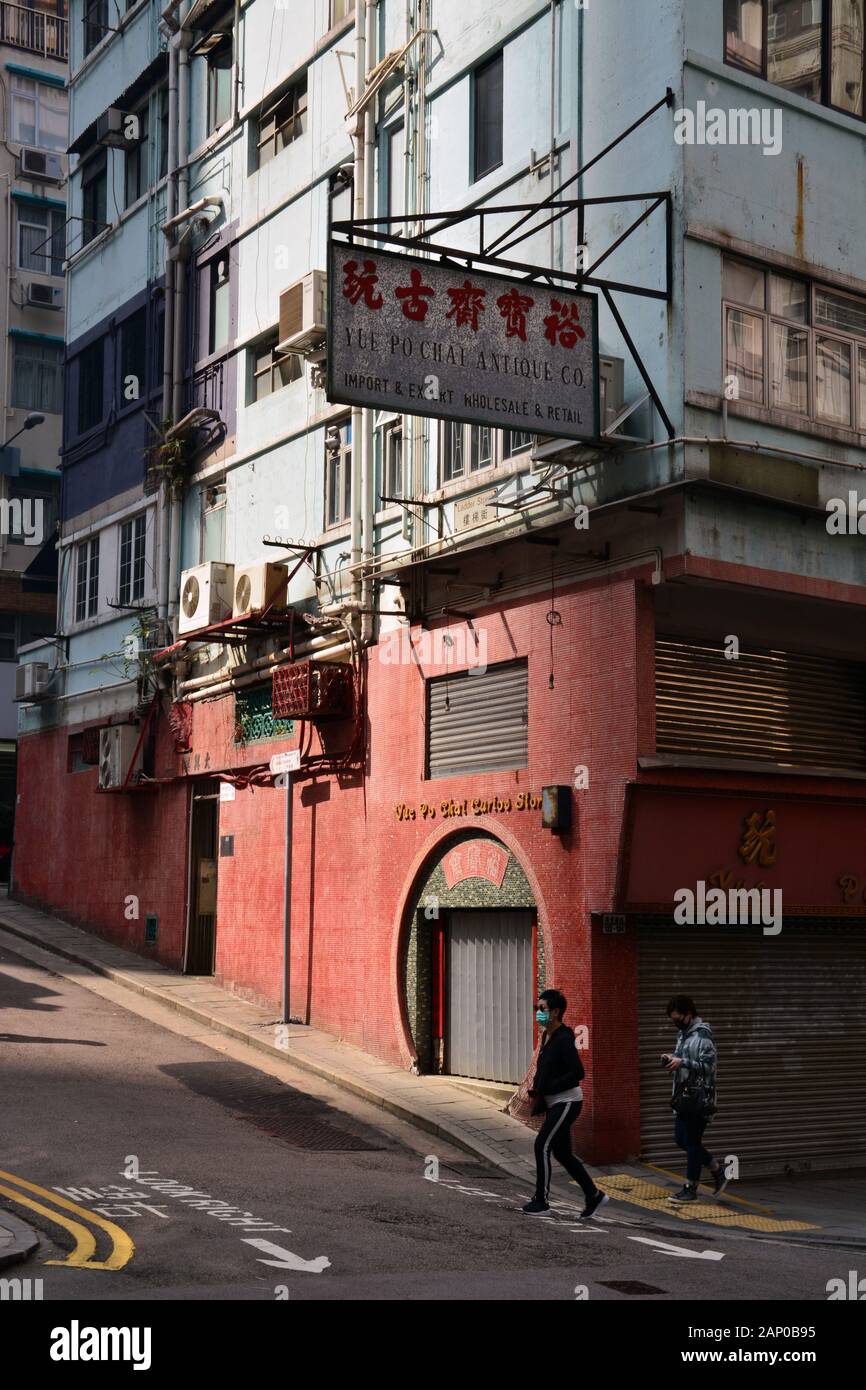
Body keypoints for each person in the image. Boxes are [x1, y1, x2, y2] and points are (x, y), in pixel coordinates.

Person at [521, 988, 609, 1219]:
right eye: (536, 1009)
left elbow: (578, 1072)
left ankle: (541, 1200)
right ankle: (594, 1195)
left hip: (567, 1101)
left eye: (542, 1009)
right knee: (563, 1153)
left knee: (542, 1145)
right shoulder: (547, 1035)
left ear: (556, 1011)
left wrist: (549, 1087)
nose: (538, 1013)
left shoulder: (563, 1039)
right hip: (555, 1101)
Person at [663, 994, 728, 1203]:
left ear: (689, 1015)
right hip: (684, 1096)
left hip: (700, 1097)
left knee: (691, 1141)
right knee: (681, 1139)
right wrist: (671, 1059)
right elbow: (681, 1057)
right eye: (673, 1019)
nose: (676, 1023)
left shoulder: (703, 1036)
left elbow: (710, 1067)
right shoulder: (685, 1034)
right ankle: (717, 1169)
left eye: (678, 1019)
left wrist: (684, 1063)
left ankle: (691, 1188)